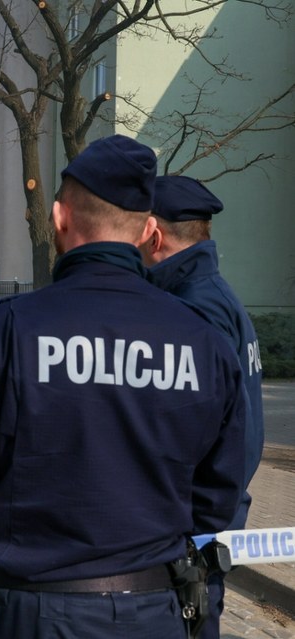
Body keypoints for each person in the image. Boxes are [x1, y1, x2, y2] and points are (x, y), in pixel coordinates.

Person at [0, 135, 247, 639]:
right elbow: (220, 497)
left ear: (59, 217)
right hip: (158, 610)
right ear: (146, 230)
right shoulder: (202, 338)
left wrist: (8, 529)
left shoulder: (11, 328)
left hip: (35, 611)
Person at [140, 175, 265, 639]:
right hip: (213, 518)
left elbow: (194, 430)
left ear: (152, 232)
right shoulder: (217, 295)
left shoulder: (192, 309)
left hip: (190, 529)